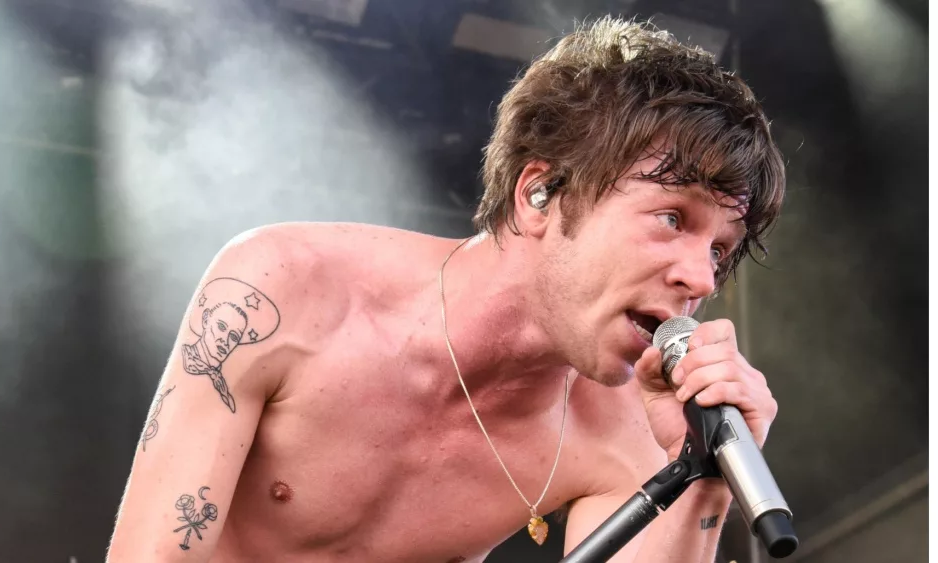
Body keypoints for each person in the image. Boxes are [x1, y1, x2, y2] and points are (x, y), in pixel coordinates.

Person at [108, 16, 785, 563]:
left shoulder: (624, 428)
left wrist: (703, 476)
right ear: (540, 194)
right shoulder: (284, 289)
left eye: (720, 250)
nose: (701, 277)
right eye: (673, 218)